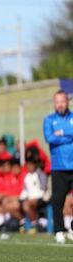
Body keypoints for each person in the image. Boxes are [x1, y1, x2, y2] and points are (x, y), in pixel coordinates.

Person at [42, 90, 73, 244]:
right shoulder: (48, 120)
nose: (60, 104)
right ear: (54, 103)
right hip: (59, 167)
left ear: (68, 102)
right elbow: (49, 138)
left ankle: (72, 227)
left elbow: (57, 136)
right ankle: (59, 231)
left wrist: (62, 132)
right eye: (57, 101)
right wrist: (69, 136)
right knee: (58, 200)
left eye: (63, 101)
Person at [20, 147, 48, 234]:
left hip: (41, 198)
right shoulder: (27, 176)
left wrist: (32, 198)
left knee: (27, 205)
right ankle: (25, 223)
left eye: (31, 164)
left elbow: (42, 190)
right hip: (30, 198)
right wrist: (21, 198)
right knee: (20, 204)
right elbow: (25, 190)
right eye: (28, 164)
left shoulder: (41, 174)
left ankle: (34, 225)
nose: (29, 166)